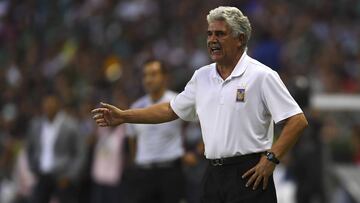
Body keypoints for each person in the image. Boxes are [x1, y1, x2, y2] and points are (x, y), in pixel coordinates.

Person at [92, 6, 308, 203]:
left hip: (251, 173)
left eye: (220, 34)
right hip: (213, 173)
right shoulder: (202, 76)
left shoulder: (262, 75)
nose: (212, 39)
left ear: (240, 39)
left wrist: (271, 159)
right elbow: (170, 109)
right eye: (209, 34)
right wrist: (124, 116)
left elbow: (297, 120)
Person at [125, 59, 185, 203]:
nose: (148, 79)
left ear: (165, 77)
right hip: (144, 173)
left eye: (153, 74)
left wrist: (196, 151)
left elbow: (202, 123)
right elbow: (132, 141)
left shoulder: (177, 101)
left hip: (171, 171)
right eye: (145, 75)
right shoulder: (136, 107)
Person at [26, 94, 86, 203]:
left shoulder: (70, 125)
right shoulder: (36, 124)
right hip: (42, 174)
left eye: (51, 104)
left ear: (58, 105)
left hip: (62, 176)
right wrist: (33, 167)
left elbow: (80, 153)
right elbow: (30, 149)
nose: (48, 106)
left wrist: (71, 176)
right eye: (46, 103)